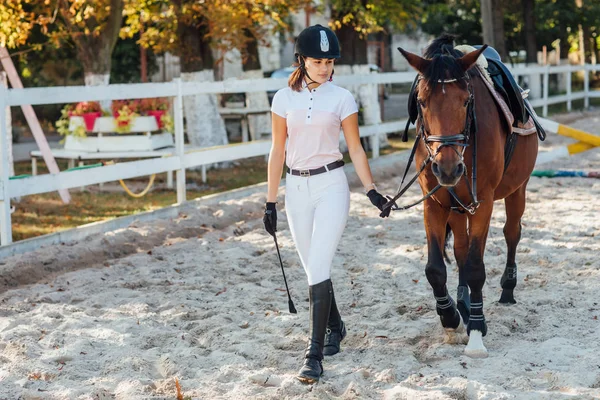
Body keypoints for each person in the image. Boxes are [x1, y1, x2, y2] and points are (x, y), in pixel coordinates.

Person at [262, 24, 394, 384]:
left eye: (330, 61)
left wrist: (370, 190)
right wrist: (270, 201)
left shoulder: (342, 98)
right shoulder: (282, 99)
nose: (325, 67)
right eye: (318, 61)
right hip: (296, 188)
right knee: (312, 269)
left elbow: (354, 148)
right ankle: (336, 325)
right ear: (301, 60)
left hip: (331, 185)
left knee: (319, 263)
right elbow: (277, 151)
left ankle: (314, 353)